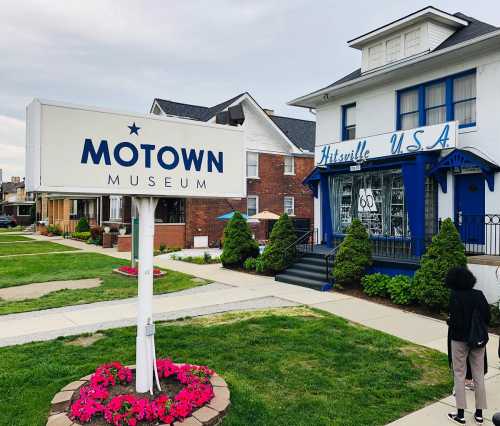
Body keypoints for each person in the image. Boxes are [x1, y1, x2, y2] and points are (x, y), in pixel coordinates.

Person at [447, 266, 490, 425]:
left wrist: (449, 321)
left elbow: (454, 321)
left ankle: (460, 414)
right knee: (478, 375)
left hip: (459, 340)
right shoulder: (479, 295)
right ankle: (479, 414)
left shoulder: (455, 296)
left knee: (459, 374)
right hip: (478, 339)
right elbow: (487, 316)